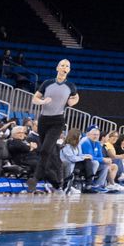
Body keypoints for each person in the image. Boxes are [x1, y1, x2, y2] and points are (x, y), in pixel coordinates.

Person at [29, 59, 79, 192]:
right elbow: (35, 99)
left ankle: (36, 178)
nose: (64, 67)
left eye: (67, 66)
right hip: (43, 120)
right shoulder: (47, 83)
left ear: (69, 70)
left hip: (58, 121)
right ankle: (56, 181)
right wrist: (43, 101)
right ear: (57, 68)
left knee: (45, 150)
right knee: (50, 152)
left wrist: (73, 101)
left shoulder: (71, 86)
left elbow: (76, 97)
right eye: (62, 65)